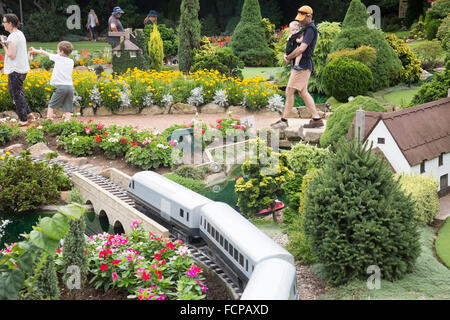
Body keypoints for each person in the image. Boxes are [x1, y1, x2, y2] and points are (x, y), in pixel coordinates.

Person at [271, 5, 323, 130]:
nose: (299, 20)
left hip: (302, 66)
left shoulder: (310, 29)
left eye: (302, 18)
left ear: (309, 16)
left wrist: (289, 57)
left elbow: (302, 48)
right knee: (303, 92)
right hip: (303, 65)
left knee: (289, 91)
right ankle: (317, 119)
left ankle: (284, 121)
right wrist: (287, 54)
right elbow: (295, 45)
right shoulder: (306, 28)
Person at [1, 13, 35, 125]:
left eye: (4, 22)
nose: (3, 24)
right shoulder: (18, 34)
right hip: (21, 68)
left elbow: (11, 55)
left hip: (16, 69)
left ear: (10, 23)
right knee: (14, 92)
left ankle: (23, 120)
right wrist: (7, 42)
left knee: (16, 94)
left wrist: (3, 45)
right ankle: (29, 114)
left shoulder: (13, 36)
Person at [29, 42, 75, 121]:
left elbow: (44, 53)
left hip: (60, 86)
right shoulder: (71, 61)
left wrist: (34, 50)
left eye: (58, 50)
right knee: (67, 108)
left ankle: (49, 120)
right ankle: (68, 122)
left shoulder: (58, 57)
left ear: (61, 51)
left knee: (51, 105)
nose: (57, 51)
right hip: (70, 87)